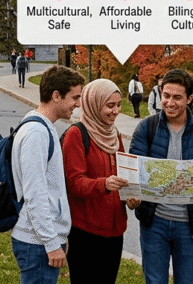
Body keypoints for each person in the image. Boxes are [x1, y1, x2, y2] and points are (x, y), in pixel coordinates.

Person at [129, 68, 193, 284]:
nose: (169, 102)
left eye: (177, 97)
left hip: (189, 226)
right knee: (155, 281)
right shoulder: (146, 127)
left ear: (189, 98)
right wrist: (133, 196)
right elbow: (134, 170)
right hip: (154, 222)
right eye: (166, 96)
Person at [11, 65, 85, 284]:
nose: (78, 104)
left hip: (42, 239)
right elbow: (35, 193)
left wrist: (59, 234)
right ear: (56, 96)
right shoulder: (36, 133)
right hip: (36, 242)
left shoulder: (43, 127)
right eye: (75, 97)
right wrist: (52, 242)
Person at [61, 78, 132, 284]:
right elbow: (74, 183)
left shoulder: (114, 134)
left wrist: (131, 197)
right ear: (93, 103)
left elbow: (122, 175)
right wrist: (104, 184)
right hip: (85, 232)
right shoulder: (76, 134)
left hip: (114, 230)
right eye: (109, 106)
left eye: (118, 105)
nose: (116, 111)